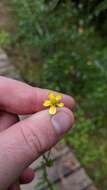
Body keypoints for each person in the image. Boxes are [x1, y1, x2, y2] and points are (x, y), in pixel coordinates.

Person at [0, 76, 75, 190]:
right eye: (53, 101)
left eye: (55, 101)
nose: (54, 100)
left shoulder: (55, 104)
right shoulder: (51, 104)